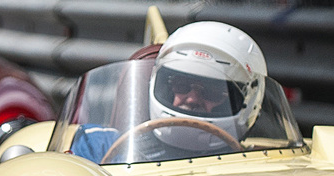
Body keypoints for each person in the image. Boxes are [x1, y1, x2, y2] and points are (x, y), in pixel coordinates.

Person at [70, 21, 267, 163]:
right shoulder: (98, 146)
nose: (191, 99)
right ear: (161, 83)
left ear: (247, 101)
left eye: (213, 91)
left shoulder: (263, 164)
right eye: (180, 85)